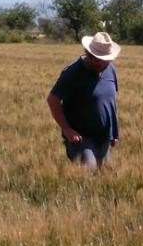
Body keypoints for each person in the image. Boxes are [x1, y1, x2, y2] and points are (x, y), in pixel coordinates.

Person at [46, 31, 121, 169]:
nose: (105, 63)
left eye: (107, 59)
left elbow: (111, 101)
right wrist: (67, 130)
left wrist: (114, 132)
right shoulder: (73, 72)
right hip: (81, 136)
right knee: (89, 169)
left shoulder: (110, 69)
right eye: (100, 59)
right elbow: (53, 100)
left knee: (104, 174)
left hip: (104, 136)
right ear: (89, 55)